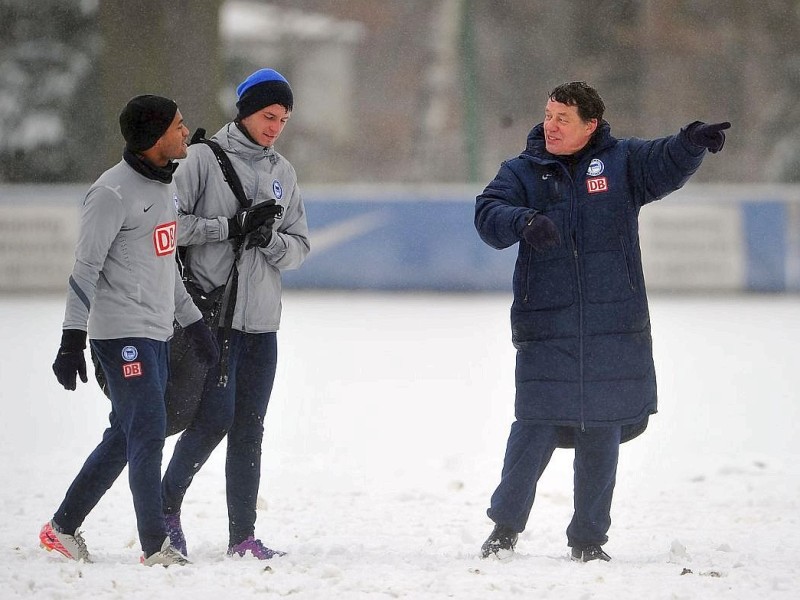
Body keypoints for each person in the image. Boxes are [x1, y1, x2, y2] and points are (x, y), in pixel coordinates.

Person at [474, 82, 730, 562]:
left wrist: (691, 142)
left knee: (602, 431)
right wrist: (523, 221)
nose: (550, 125)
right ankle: (504, 528)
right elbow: (489, 212)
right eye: (548, 115)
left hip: (615, 324)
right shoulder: (521, 171)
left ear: (590, 126)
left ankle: (588, 540)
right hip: (546, 324)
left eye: (562, 118)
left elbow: (664, 159)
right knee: (534, 428)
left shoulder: (621, 162)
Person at [40, 95, 220, 566]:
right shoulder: (110, 194)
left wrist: (196, 325)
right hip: (120, 335)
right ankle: (155, 545)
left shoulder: (164, 190)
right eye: (179, 126)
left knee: (126, 434)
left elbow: (167, 271)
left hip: (157, 331)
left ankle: (62, 526)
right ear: (156, 135)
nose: (187, 133)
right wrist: (71, 338)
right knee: (147, 430)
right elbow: (84, 269)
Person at [161, 68, 310, 560]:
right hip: (213, 316)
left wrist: (269, 239)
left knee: (250, 425)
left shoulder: (283, 172)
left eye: (283, 119)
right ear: (245, 110)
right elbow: (168, 227)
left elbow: (301, 247)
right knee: (213, 419)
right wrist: (229, 226)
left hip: (262, 323)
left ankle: (242, 536)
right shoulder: (201, 159)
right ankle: (166, 508)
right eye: (269, 116)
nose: (275, 127)